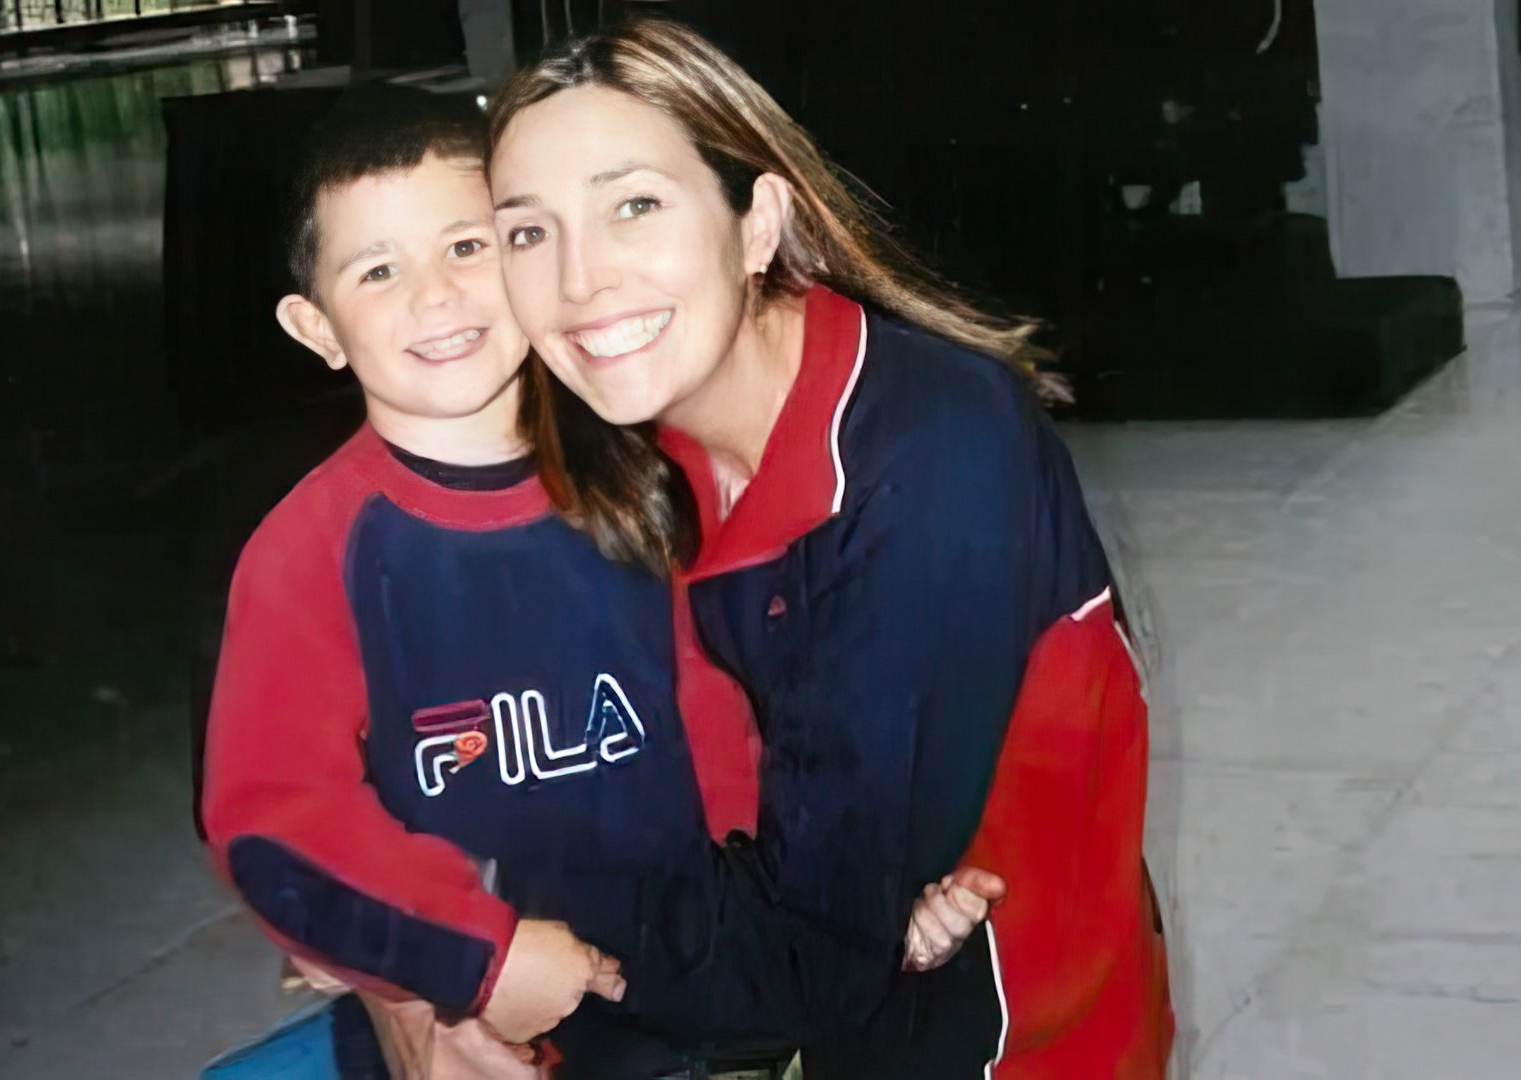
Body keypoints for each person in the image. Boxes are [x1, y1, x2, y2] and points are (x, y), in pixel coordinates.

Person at [197, 86, 999, 1079]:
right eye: (377, 270)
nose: (435, 298)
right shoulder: (311, 552)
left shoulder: (635, 476)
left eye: (467, 247)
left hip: (690, 1009)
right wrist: (472, 961)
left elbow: (741, 741)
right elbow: (274, 821)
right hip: (475, 1034)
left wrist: (877, 896)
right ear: (315, 327)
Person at [487, 17, 1174, 1077]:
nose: (580, 280)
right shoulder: (631, 450)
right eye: (528, 232)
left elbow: (816, 954)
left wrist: (475, 956)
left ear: (756, 222)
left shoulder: (930, 457)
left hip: (1002, 1043)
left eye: (634, 205)